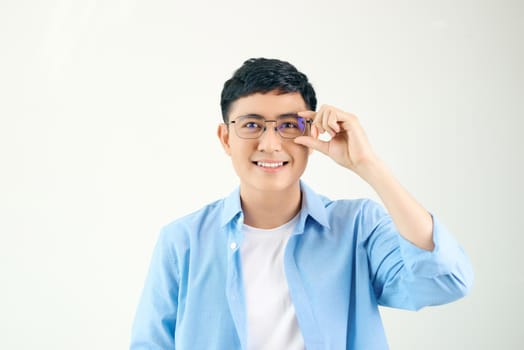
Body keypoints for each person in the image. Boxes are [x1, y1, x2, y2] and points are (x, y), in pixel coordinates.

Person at [130, 57, 473, 350]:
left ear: (310, 133)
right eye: (252, 125)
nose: (270, 143)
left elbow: (444, 282)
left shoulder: (357, 227)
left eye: (288, 126)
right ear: (225, 137)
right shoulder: (183, 240)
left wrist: (369, 165)